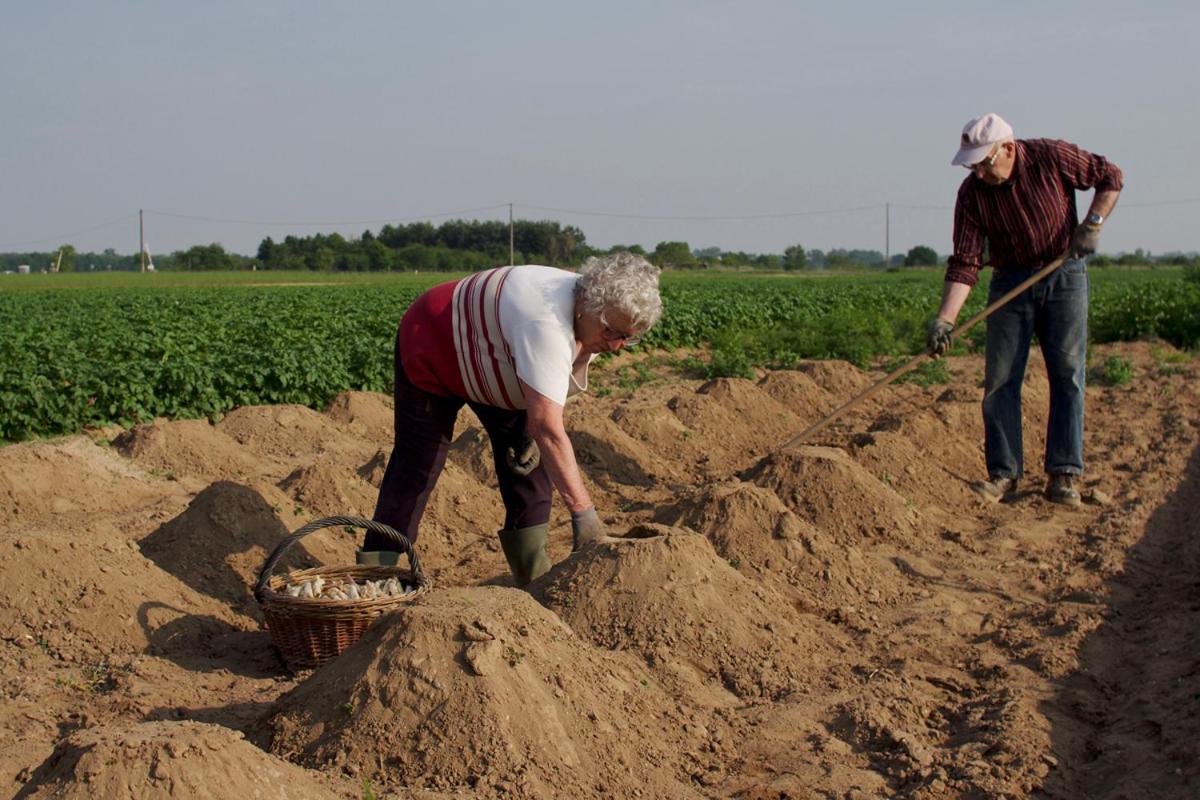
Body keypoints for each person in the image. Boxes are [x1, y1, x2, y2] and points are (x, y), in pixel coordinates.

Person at [360, 252, 663, 586]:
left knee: (526, 463)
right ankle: (376, 574)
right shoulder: (545, 322)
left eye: (628, 337)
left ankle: (531, 576)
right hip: (433, 342)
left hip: (498, 359)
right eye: (611, 331)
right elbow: (547, 425)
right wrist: (584, 516)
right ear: (587, 305)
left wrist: (536, 430)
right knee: (417, 464)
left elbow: (545, 411)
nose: (617, 345)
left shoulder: (589, 306)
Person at [927, 112, 1123, 507]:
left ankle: (1064, 475)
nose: (979, 174)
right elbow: (965, 261)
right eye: (972, 166)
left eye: (984, 164)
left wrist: (1093, 223)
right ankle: (1003, 475)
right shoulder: (971, 195)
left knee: (1067, 374)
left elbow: (1110, 175)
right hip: (1009, 282)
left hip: (1063, 272)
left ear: (1009, 150)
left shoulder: (1051, 156)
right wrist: (945, 319)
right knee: (1000, 380)